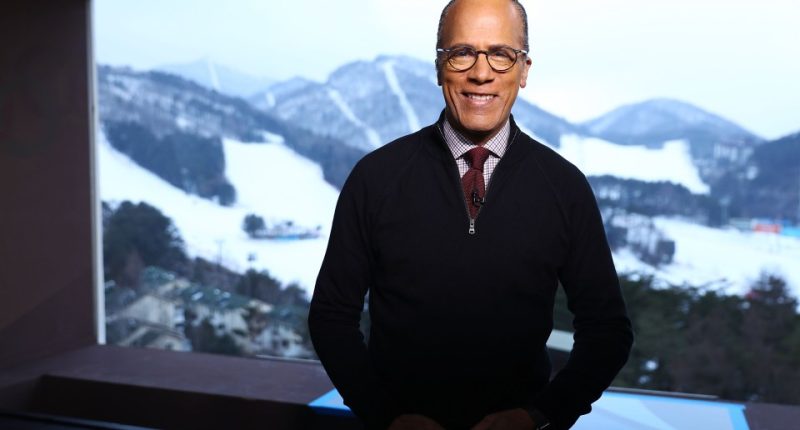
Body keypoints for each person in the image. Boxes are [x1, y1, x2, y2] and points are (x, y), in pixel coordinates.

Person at [308, 0, 633, 429]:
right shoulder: (377, 177)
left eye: (501, 54)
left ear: (525, 70)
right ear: (439, 66)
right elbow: (331, 316)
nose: (481, 73)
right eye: (462, 52)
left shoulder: (564, 187)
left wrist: (539, 415)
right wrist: (387, 418)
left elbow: (608, 331)